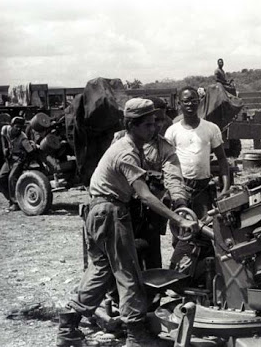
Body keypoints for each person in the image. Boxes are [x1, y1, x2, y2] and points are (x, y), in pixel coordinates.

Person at [56, 98, 199, 347]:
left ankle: (68, 325)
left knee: (101, 270)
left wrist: (178, 200)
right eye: (147, 125)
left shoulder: (135, 146)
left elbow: (171, 172)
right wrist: (177, 219)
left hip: (98, 211)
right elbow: (144, 194)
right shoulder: (126, 152)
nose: (154, 128)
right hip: (111, 211)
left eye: (155, 123)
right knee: (128, 272)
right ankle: (136, 335)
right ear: (131, 125)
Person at [113, 97, 189, 269]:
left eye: (162, 119)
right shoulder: (121, 141)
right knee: (124, 256)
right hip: (123, 207)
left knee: (152, 253)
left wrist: (179, 201)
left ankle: (153, 293)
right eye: (154, 121)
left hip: (151, 209)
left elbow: (173, 175)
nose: (159, 125)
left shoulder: (164, 146)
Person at [164, 86, 230, 271]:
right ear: (179, 104)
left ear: (199, 102)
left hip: (203, 190)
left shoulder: (211, 129)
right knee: (180, 233)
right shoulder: (172, 131)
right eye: (186, 101)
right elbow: (166, 165)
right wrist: (172, 190)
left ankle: (203, 275)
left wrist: (225, 189)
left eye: (194, 100)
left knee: (207, 232)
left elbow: (223, 161)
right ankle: (178, 274)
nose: (190, 104)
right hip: (180, 189)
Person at [0, 116, 35, 211]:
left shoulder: (23, 138)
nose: (18, 129)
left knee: (12, 178)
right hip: (10, 158)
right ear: (11, 125)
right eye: (16, 126)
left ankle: (16, 203)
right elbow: (3, 138)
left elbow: (30, 152)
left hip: (19, 159)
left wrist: (24, 161)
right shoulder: (5, 129)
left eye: (20, 127)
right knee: (0, 179)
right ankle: (10, 200)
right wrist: (4, 148)